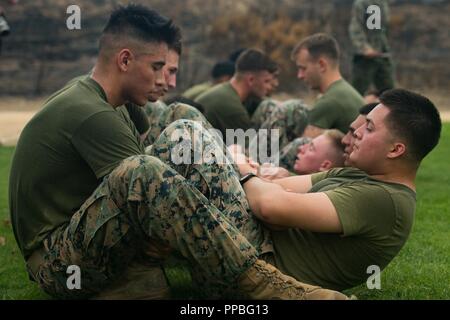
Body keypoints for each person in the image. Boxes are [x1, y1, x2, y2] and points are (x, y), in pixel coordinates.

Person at [9, 4, 346, 300]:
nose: (165, 80)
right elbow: (145, 189)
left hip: (86, 236)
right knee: (144, 172)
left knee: (182, 120)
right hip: (57, 264)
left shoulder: (116, 102)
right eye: (158, 67)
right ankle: (258, 280)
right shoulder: (90, 110)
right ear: (124, 60)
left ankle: (230, 246)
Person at [232, 88, 441, 291]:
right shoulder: (357, 174)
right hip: (246, 240)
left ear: (395, 150)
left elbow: (269, 205)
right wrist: (260, 185)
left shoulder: (386, 200)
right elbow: (273, 187)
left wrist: (241, 166)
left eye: (368, 128)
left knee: (203, 142)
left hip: (254, 265)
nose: (354, 135)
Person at [292, 33, 364, 138]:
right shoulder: (342, 92)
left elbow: (302, 149)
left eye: (303, 68)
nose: (300, 75)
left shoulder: (329, 101)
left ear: (322, 65)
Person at [196, 48, 277, 140]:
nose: (269, 87)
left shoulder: (227, 92)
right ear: (251, 80)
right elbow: (251, 149)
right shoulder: (232, 107)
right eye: (266, 81)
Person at [349, 0, 394, 95]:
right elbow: (355, 27)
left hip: (382, 54)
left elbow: (383, 30)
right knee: (357, 92)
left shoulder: (383, 3)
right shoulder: (362, 3)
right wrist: (365, 47)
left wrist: (384, 47)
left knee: (389, 92)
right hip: (365, 57)